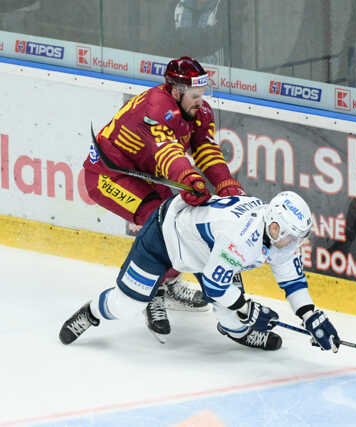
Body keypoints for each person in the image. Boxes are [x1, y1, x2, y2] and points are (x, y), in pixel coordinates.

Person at [83, 56, 245, 342]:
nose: (201, 101)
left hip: (143, 175)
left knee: (178, 223)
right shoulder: (156, 109)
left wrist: (224, 183)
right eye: (195, 95)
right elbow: (167, 152)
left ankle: (167, 282)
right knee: (159, 223)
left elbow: (205, 148)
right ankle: (152, 294)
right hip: (108, 176)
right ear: (176, 91)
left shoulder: (199, 111)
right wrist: (189, 179)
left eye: (202, 94)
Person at [59, 191, 340, 353]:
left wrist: (311, 315)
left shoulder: (276, 235)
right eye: (292, 236)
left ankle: (238, 333)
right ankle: (93, 311)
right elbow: (214, 287)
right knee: (126, 305)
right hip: (166, 238)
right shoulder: (241, 236)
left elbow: (292, 280)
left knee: (234, 314)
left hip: (208, 254)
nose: (294, 244)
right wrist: (250, 308)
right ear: (275, 226)